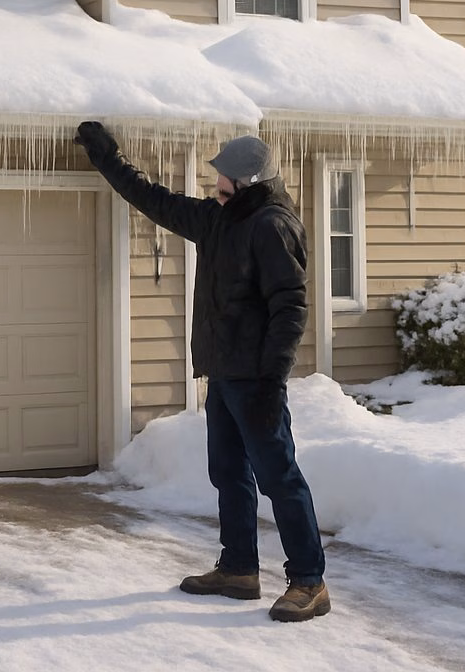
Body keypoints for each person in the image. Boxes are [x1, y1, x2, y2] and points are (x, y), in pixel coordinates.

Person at [75, 121, 330, 623]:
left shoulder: (272, 225)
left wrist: (271, 379)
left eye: (224, 179)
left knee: (279, 478)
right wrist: (108, 159)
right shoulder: (222, 218)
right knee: (228, 473)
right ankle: (238, 569)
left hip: (256, 380)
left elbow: (290, 306)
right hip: (224, 373)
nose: (215, 186)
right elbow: (157, 200)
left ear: (249, 181)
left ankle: (309, 581)